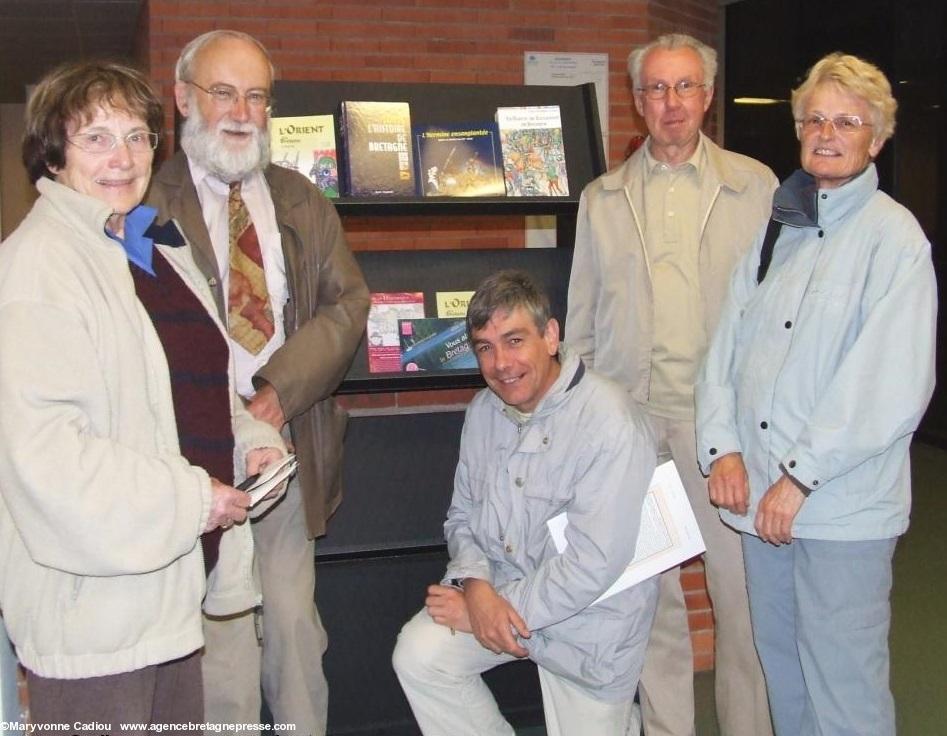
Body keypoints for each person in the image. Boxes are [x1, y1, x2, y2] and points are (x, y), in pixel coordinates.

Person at [0, 60, 285, 728]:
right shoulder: (38, 266)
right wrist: (192, 498)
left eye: (136, 136)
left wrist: (252, 442)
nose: (122, 158)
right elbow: (49, 459)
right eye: (95, 138)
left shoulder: (153, 249)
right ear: (52, 153)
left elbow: (189, 392)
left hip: (169, 590)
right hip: (95, 614)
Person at [696, 52, 936, 736]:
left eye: (847, 121)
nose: (826, 133)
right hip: (760, 501)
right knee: (785, 677)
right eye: (815, 118)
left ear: (876, 138)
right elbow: (727, 346)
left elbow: (888, 384)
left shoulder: (894, 240)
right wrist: (723, 449)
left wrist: (797, 479)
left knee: (843, 687)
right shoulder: (782, 226)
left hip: (838, 513)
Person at [147, 30, 370, 735]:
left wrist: (277, 392)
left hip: (284, 449)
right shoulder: (147, 203)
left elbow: (348, 303)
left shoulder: (300, 199)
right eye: (222, 93)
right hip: (193, 460)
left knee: (297, 635)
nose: (240, 111)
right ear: (182, 98)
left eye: (256, 95)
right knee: (223, 649)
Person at [567, 32, 776, 736]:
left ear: (708, 96)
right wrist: (585, 427)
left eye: (684, 86)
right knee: (652, 603)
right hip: (635, 431)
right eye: (655, 89)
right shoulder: (601, 199)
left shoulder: (756, 188)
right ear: (636, 101)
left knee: (739, 604)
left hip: (725, 436)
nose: (670, 102)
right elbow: (582, 324)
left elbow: (781, 315)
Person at [392, 270, 659, 736]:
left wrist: (491, 609)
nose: (501, 363)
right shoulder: (482, 413)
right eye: (485, 347)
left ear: (551, 336)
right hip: (498, 597)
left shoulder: (610, 419)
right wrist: (474, 586)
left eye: (514, 340)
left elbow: (593, 564)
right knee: (420, 656)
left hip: (589, 629)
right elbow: (462, 518)